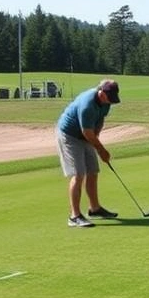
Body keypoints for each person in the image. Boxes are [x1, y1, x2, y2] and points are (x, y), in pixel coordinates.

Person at [56, 79, 121, 228]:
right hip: (69, 135)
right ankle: (74, 216)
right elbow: (86, 132)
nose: (110, 102)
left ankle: (95, 208)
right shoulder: (87, 105)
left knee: (93, 171)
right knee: (79, 174)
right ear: (101, 92)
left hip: (87, 134)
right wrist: (101, 149)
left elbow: (99, 121)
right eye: (109, 99)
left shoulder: (106, 102)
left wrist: (96, 140)